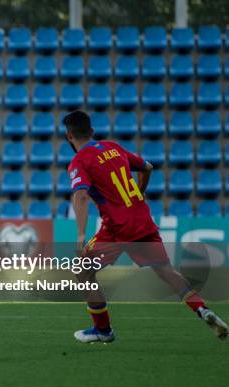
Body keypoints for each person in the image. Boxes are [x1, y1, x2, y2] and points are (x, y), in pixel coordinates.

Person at [63, 110, 227, 343]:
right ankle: (202, 309)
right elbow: (147, 167)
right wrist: (140, 191)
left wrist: (80, 233)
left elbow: (80, 196)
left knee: (82, 270)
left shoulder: (79, 162)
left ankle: (103, 330)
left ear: (69, 136)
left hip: (117, 229)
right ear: (92, 131)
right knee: (167, 271)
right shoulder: (113, 147)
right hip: (143, 221)